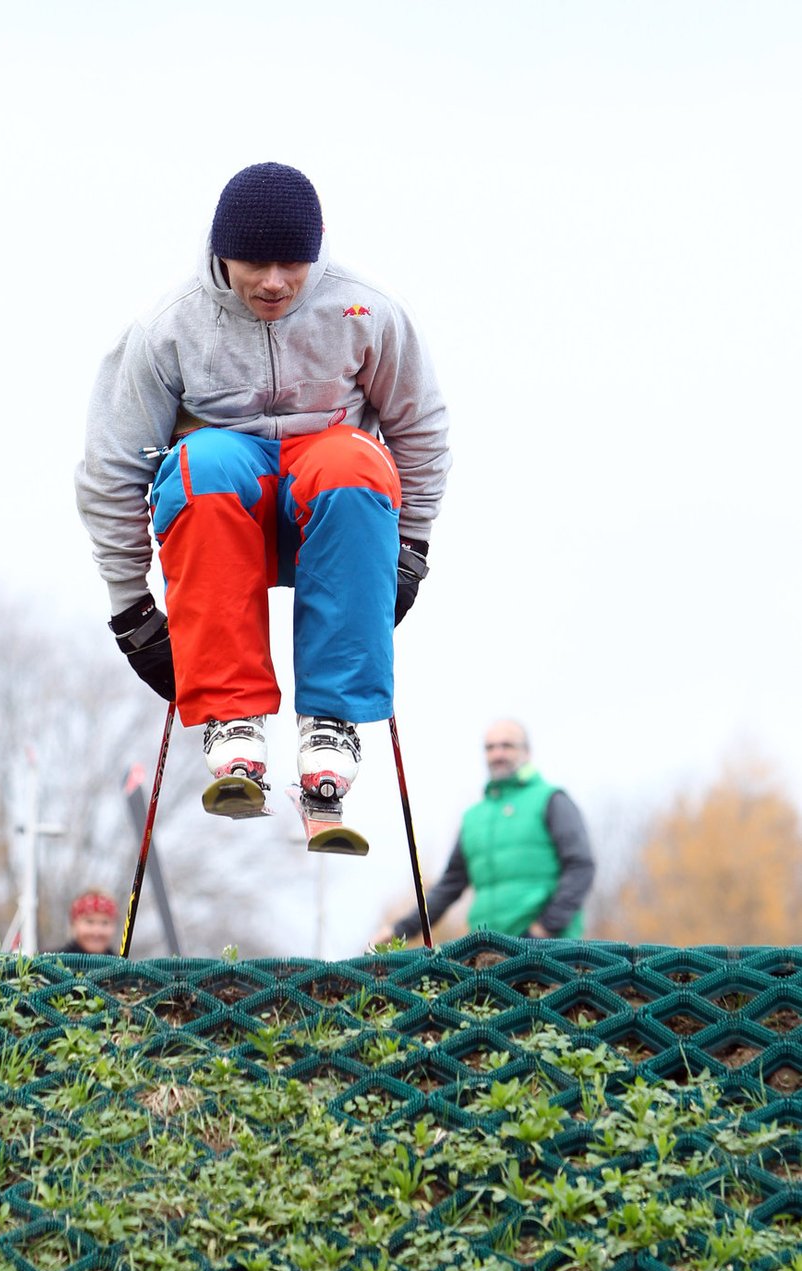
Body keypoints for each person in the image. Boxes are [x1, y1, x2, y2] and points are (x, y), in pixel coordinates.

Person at [75, 162, 450, 809]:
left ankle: (330, 719)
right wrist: (131, 606)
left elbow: (419, 428)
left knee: (351, 460)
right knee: (208, 460)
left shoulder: (366, 309)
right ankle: (233, 715)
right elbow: (112, 468)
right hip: (222, 523)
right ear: (223, 254)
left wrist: (411, 546)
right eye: (255, 264)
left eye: (292, 265)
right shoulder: (168, 325)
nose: (274, 283)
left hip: (330, 522)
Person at [379, 719, 596, 942]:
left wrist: (544, 929)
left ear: (527, 752)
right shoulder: (474, 818)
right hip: (487, 952)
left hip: (550, 950)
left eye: (507, 746)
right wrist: (399, 931)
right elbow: (449, 887)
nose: (497, 754)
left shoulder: (551, 800)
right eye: (490, 748)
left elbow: (581, 867)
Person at [60, 890, 119, 955]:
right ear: (74, 924)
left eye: (105, 923)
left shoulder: (121, 963)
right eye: (90, 922)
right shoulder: (52, 962)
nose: (97, 931)